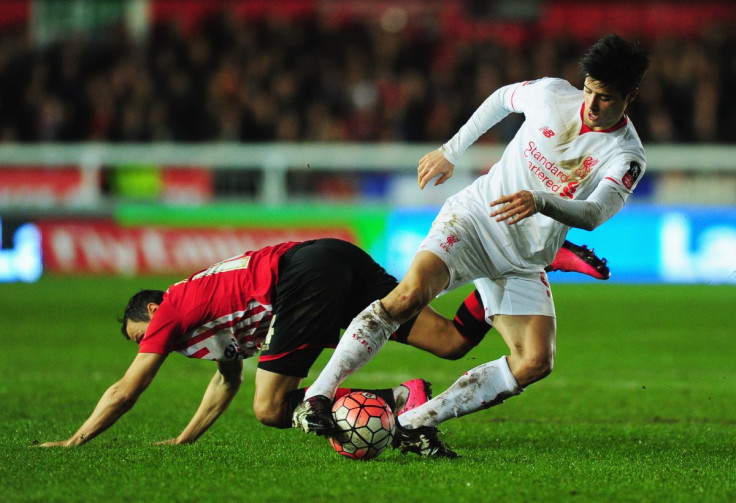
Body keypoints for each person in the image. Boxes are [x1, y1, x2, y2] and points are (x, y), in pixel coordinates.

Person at [293, 34, 649, 458]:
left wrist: (540, 201)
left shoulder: (626, 155)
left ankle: (414, 422)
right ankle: (317, 395)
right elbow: (502, 98)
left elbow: (592, 214)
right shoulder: (552, 93)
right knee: (408, 296)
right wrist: (451, 150)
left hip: (522, 260)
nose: (590, 105)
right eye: (589, 90)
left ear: (631, 96)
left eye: (605, 98)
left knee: (535, 361)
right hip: (475, 220)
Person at [38, 235, 605, 448]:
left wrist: (76, 440)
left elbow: (125, 391)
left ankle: (383, 408)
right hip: (327, 257)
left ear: (153, 311)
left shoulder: (173, 310)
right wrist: (184, 441)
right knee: (454, 342)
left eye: (144, 335)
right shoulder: (201, 318)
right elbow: (224, 382)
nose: (150, 345)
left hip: (299, 281)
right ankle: (526, 264)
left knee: (272, 409)